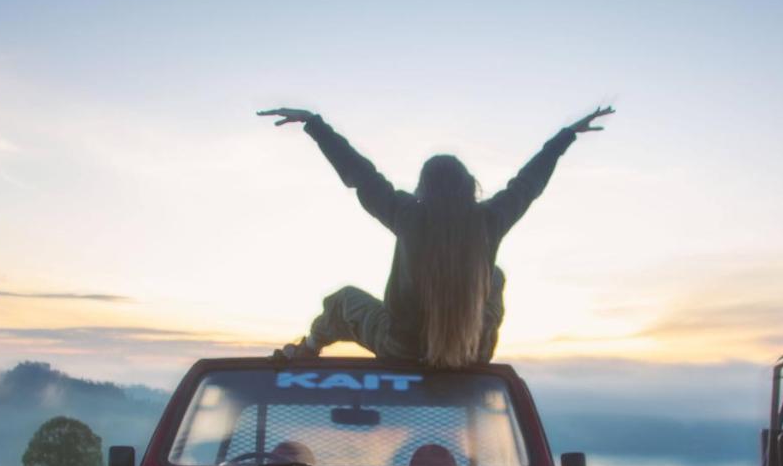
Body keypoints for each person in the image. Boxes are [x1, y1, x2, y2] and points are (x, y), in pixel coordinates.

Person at [258, 105, 614, 368]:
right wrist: (565, 137)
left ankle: (307, 351)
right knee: (496, 276)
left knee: (342, 300)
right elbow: (527, 185)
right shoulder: (488, 220)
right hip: (471, 352)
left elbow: (362, 176)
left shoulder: (408, 215)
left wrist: (315, 125)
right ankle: (466, 346)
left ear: (422, 188)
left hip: (402, 349)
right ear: (468, 186)